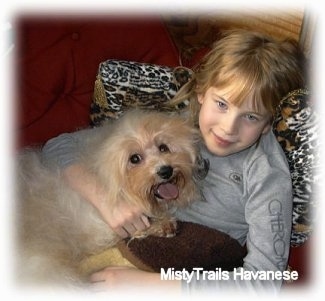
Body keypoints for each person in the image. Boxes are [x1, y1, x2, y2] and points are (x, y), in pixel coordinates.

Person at [41, 30, 306, 294]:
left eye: (250, 117)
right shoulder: (170, 126)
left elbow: (264, 282)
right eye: (222, 104)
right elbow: (56, 147)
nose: (228, 128)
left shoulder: (266, 175)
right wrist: (106, 202)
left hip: (180, 270)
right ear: (202, 92)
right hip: (105, 237)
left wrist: (147, 286)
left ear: (267, 124)